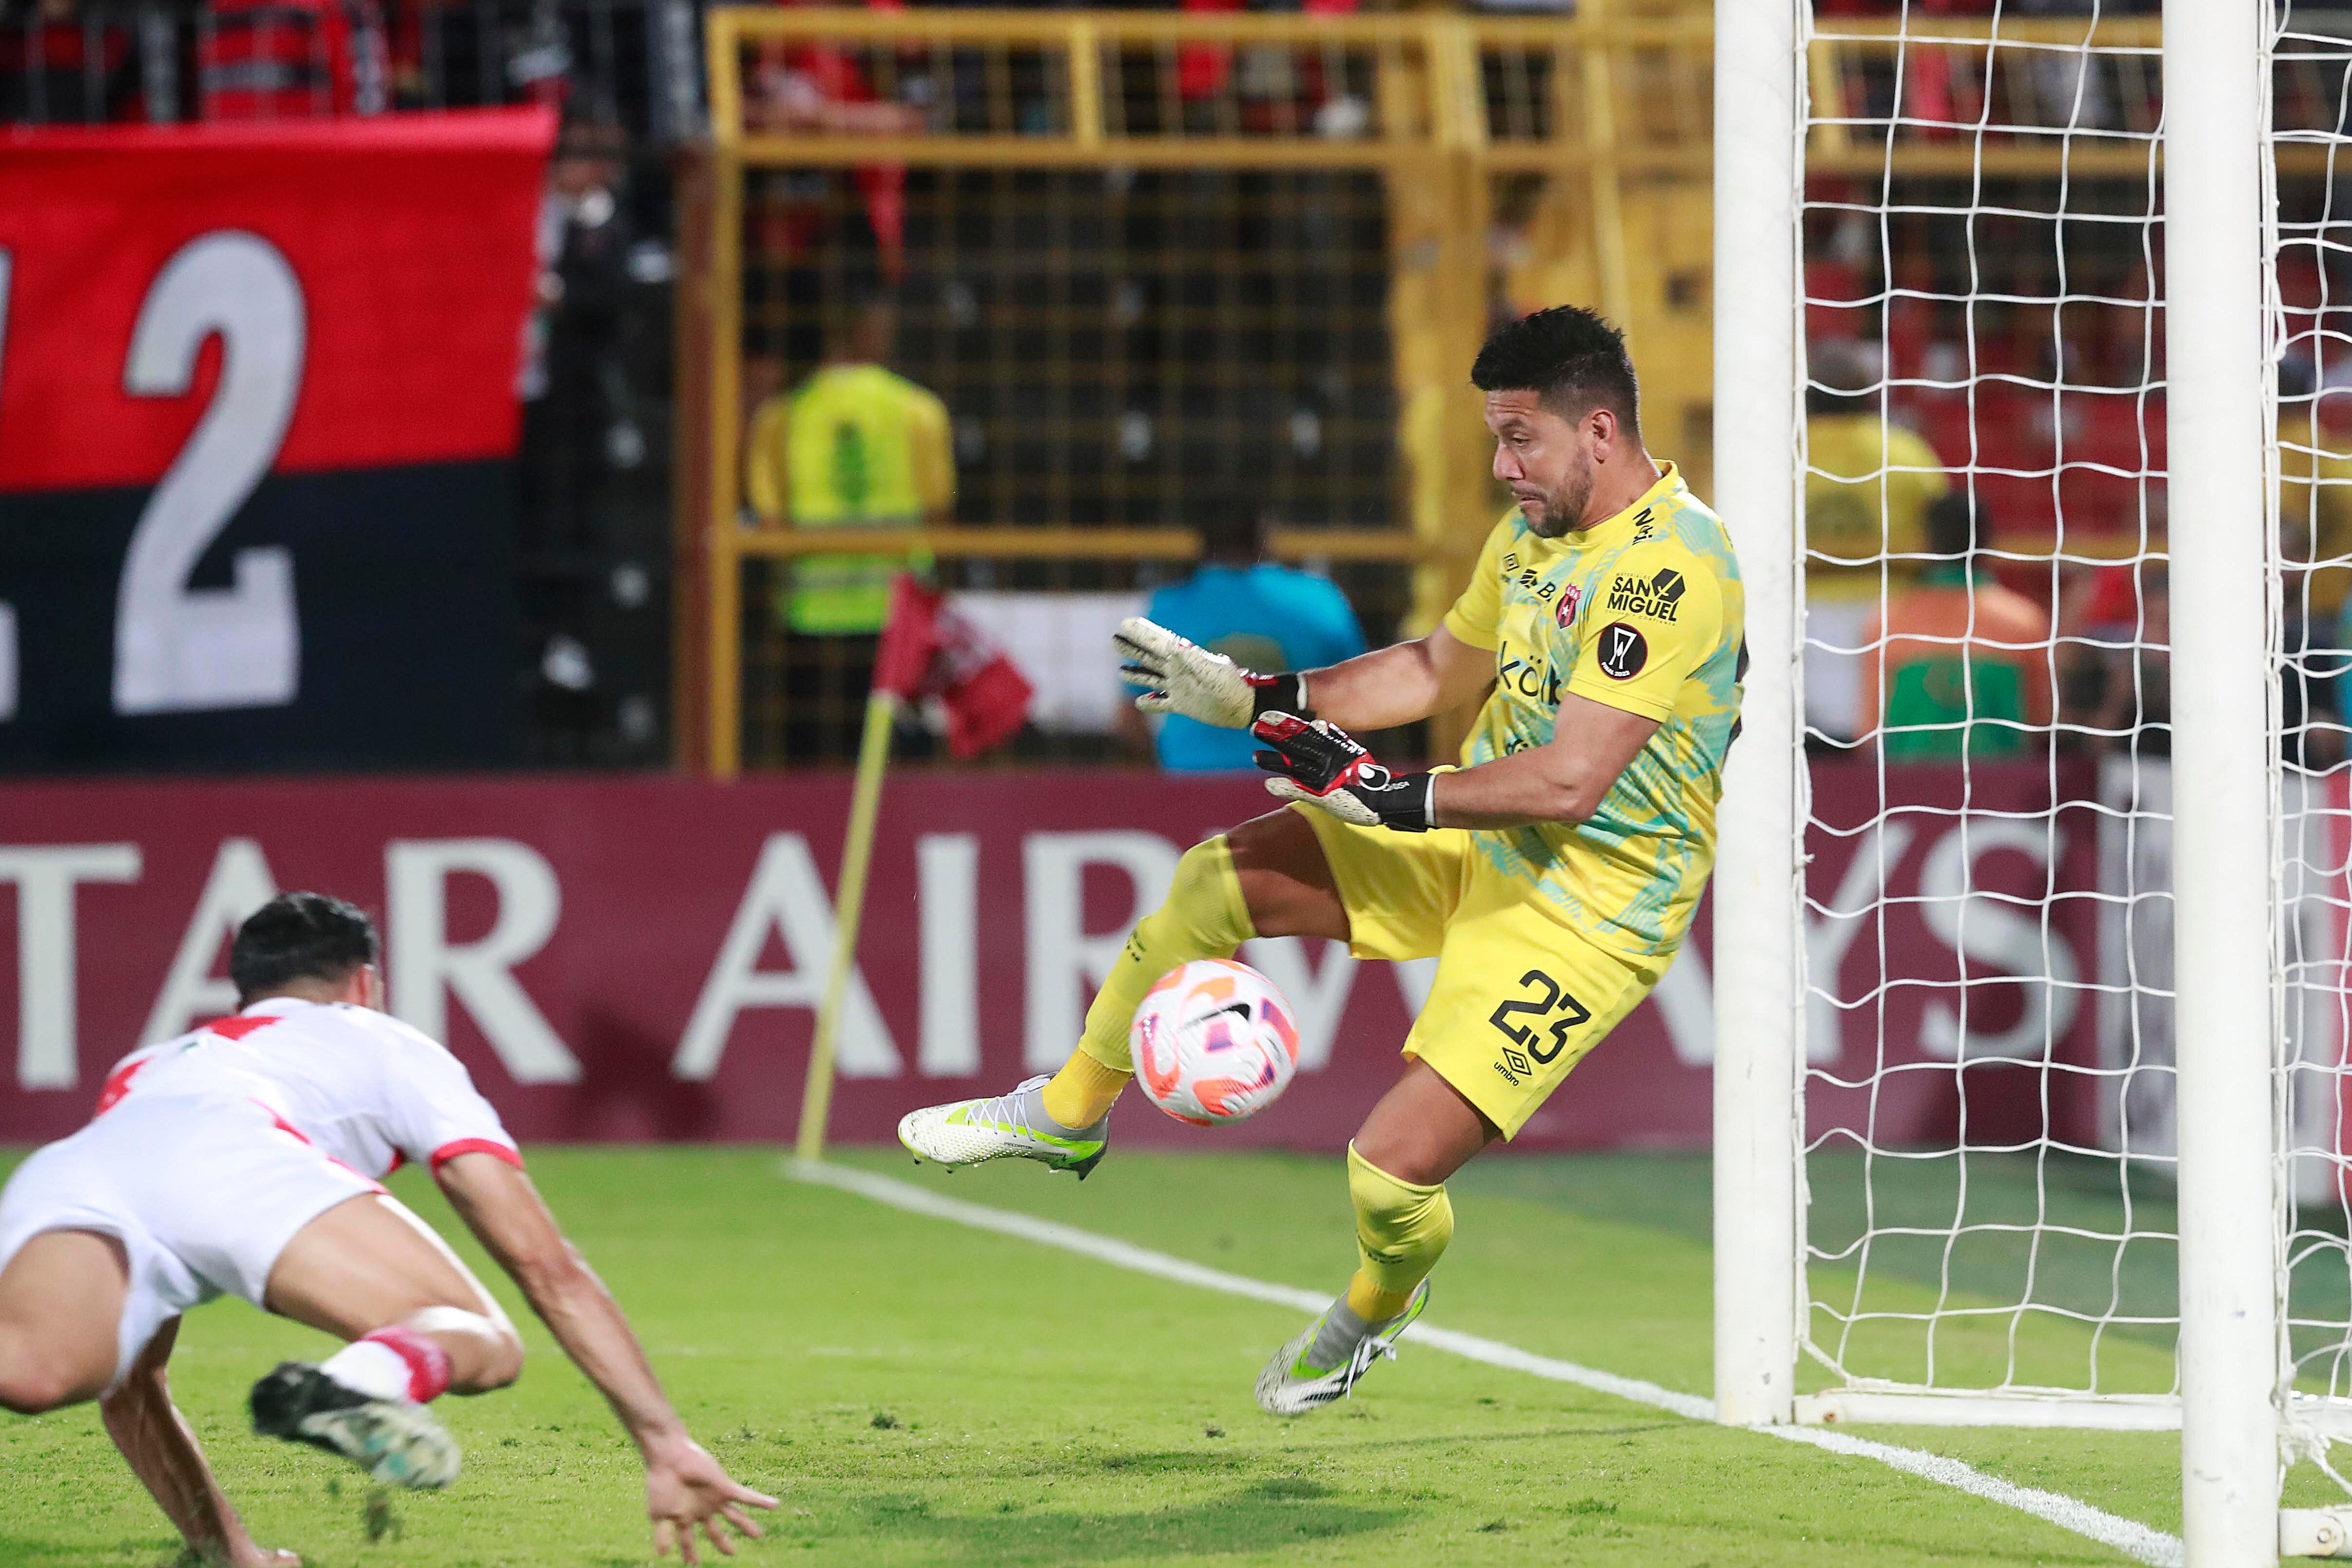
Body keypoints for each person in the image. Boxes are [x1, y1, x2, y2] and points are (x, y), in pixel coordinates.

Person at [897, 305, 1743, 1414]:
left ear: (1598, 431)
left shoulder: (1669, 565)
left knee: (1389, 1172)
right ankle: (1068, 1112)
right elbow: (1438, 668)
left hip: (1590, 905)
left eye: (1519, 439)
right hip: (1467, 838)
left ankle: (1376, 1310)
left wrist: (1391, 797)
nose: (1501, 467)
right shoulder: (1533, 535)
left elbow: (1570, 779)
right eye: (1494, 438)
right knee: (1214, 879)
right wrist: (1258, 698)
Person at [0, 893, 773, 1567]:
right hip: (240, 1155)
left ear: (247, 990)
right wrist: (664, 1442)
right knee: (480, 1336)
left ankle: (272, 1491)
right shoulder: (384, 1040)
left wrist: (231, 1555)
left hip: (67, 1170)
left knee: (37, 1377)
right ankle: (351, 1387)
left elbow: (136, 1382)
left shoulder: (150, 1064)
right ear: (365, 983)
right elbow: (545, 1266)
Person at [744, 292, 953, 758]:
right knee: (893, 771)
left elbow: (770, 523)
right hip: (897, 618)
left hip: (809, 620)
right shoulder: (918, 410)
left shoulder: (781, 417)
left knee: (815, 767)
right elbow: (940, 515)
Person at [1137, 493, 1366, 771]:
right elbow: (1360, 697)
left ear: (1202, 540)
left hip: (1192, 776)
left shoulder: (1168, 607)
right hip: (1300, 781)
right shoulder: (1320, 598)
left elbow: (1130, 715)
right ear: (1265, 535)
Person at [1804, 338, 1949, 744]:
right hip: (1891, 617)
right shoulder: (1906, 452)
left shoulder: (1782, 451)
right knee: (1876, 741)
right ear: (1868, 394)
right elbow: (1946, 530)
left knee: (1813, 744)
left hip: (1799, 615)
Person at [1857, 492, 2052, 760]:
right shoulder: (2024, 622)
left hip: (1908, 792)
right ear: (1988, 540)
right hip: (2003, 790)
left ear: (1927, 542)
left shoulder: (1887, 622)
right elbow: (2041, 723)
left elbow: (1868, 734)